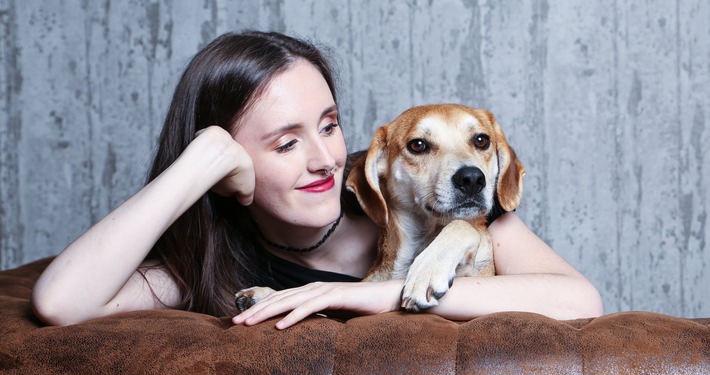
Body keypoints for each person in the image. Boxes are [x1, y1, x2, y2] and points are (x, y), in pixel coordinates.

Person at [31, 30, 604, 329]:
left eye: (328, 126)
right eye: (286, 143)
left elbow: (578, 299)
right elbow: (61, 302)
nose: (325, 160)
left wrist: (368, 296)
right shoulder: (220, 260)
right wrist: (199, 162)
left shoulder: (426, 193)